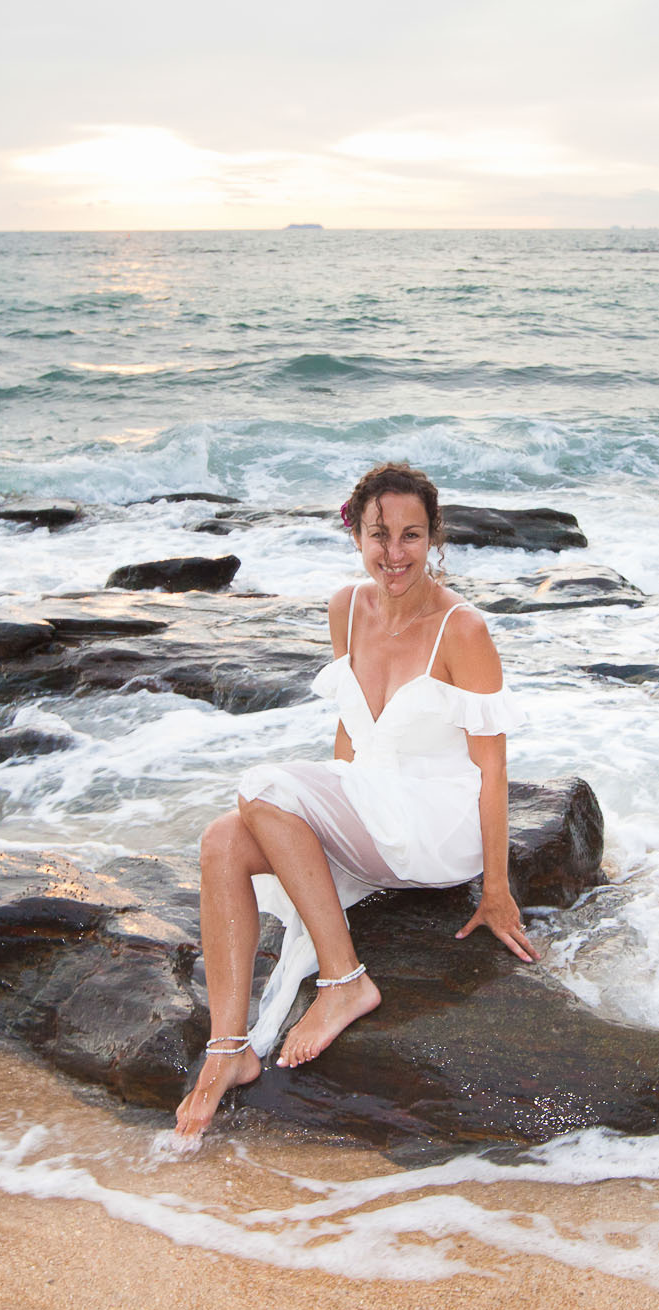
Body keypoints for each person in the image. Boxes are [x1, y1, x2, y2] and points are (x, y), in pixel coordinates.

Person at [173, 462, 538, 1141]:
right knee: (223, 838)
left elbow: (492, 766)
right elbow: (348, 729)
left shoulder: (462, 630)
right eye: (380, 535)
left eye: (411, 536)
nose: (394, 554)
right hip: (372, 806)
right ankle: (229, 1049)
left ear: (435, 538)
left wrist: (497, 888)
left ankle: (345, 980)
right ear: (357, 535)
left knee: (262, 784)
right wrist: (317, 824)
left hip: (435, 822)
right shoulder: (345, 606)